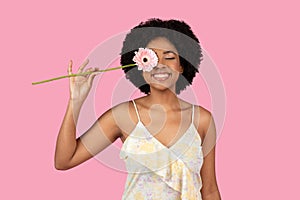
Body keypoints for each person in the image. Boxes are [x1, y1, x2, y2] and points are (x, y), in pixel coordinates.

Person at [54, 18, 221, 200]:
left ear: (182, 65)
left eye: (170, 57)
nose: (160, 64)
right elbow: (64, 160)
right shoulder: (123, 116)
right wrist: (75, 101)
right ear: (139, 65)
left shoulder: (202, 119)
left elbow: (210, 189)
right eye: (151, 58)